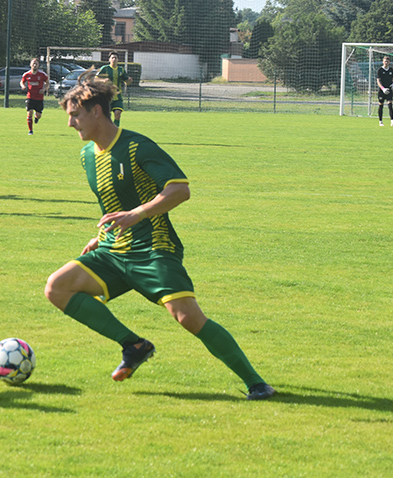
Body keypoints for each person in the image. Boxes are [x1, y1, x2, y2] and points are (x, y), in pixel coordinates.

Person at [44, 71, 275, 400]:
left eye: (75, 116)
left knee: (187, 317)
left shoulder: (137, 147)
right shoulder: (87, 155)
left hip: (152, 248)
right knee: (57, 287)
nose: (70, 125)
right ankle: (133, 345)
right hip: (113, 250)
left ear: (96, 111)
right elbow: (113, 203)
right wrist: (102, 234)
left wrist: (137, 214)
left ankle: (256, 383)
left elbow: (180, 190)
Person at [97, 52, 132, 126]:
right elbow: (95, 79)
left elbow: (126, 82)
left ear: (118, 59)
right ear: (109, 59)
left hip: (117, 96)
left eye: (115, 57)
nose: (114, 59)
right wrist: (103, 80)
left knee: (118, 113)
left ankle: (115, 131)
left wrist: (129, 81)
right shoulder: (105, 68)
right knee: (106, 116)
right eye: (112, 57)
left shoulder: (121, 70)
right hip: (107, 96)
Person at [20, 58, 50, 135]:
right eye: (33, 63)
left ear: (38, 65)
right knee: (29, 112)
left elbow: (47, 82)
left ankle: (36, 117)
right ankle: (30, 130)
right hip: (30, 96)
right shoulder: (27, 74)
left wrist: (44, 89)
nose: (34, 65)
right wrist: (23, 86)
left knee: (39, 115)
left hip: (39, 98)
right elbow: (22, 82)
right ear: (30, 65)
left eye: (36, 63)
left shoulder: (42, 74)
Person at [377, 55, 393, 127]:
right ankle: (380, 121)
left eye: (387, 61)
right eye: (385, 61)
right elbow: (378, 81)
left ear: (389, 62)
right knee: (381, 105)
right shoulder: (380, 70)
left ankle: (392, 121)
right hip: (382, 91)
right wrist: (383, 88)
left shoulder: (391, 70)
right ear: (383, 62)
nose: (386, 62)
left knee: (390, 104)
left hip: (389, 90)